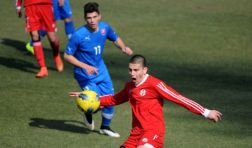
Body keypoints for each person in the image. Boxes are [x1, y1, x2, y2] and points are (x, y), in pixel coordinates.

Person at [70, 54, 222, 147]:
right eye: (130, 70)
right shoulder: (130, 86)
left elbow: (179, 98)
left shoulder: (155, 84)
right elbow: (115, 99)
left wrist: (206, 112)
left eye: (136, 70)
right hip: (136, 134)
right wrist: (91, 98)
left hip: (153, 132)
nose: (132, 73)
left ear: (145, 70)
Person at [64, 2, 133, 138]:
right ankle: (87, 111)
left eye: (94, 17)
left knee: (110, 99)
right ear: (85, 18)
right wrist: (86, 66)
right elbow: (66, 55)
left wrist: (123, 47)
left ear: (99, 16)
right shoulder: (78, 35)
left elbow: (115, 38)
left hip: (101, 70)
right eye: (89, 18)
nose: (92, 20)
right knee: (96, 102)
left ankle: (105, 127)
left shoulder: (104, 28)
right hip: (84, 74)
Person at [16, 0, 63, 78]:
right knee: (35, 36)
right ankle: (43, 68)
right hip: (30, 6)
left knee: (53, 38)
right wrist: (18, 5)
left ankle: (56, 55)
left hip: (46, 5)